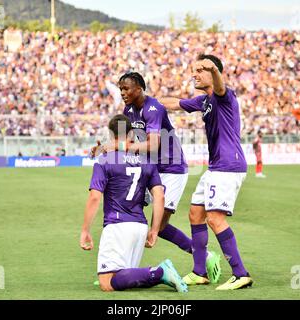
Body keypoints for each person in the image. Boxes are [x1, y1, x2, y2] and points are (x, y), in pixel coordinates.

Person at [91, 72, 222, 284]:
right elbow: (127, 140)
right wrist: (106, 148)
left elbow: (153, 145)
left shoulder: (154, 108)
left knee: (159, 227)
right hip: (149, 167)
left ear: (140, 89)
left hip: (171, 169)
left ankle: (205, 257)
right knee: (126, 213)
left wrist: (117, 146)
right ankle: (116, 269)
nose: (122, 92)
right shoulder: (129, 110)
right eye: (121, 89)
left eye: (127, 89)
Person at [160, 54, 253, 290]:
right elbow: (175, 103)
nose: (194, 74)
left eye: (199, 70)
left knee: (215, 218)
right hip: (215, 167)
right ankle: (199, 271)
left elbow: (220, 85)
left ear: (212, 73)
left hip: (227, 167)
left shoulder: (225, 96)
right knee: (195, 214)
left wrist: (213, 69)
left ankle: (241, 273)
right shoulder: (204, 101)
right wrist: (146, 100)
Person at [80, 114, 188, 293]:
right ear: (131, 134)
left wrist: (85, 230)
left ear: (110, 135)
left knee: (107, 282)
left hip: (117, 225)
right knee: (123, 278)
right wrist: (154, 230)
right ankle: (155, 274)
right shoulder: (147, 162)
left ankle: (160, 272)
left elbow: (94, 197)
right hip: (140, 227)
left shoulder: (105, 161)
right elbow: (159, 196)